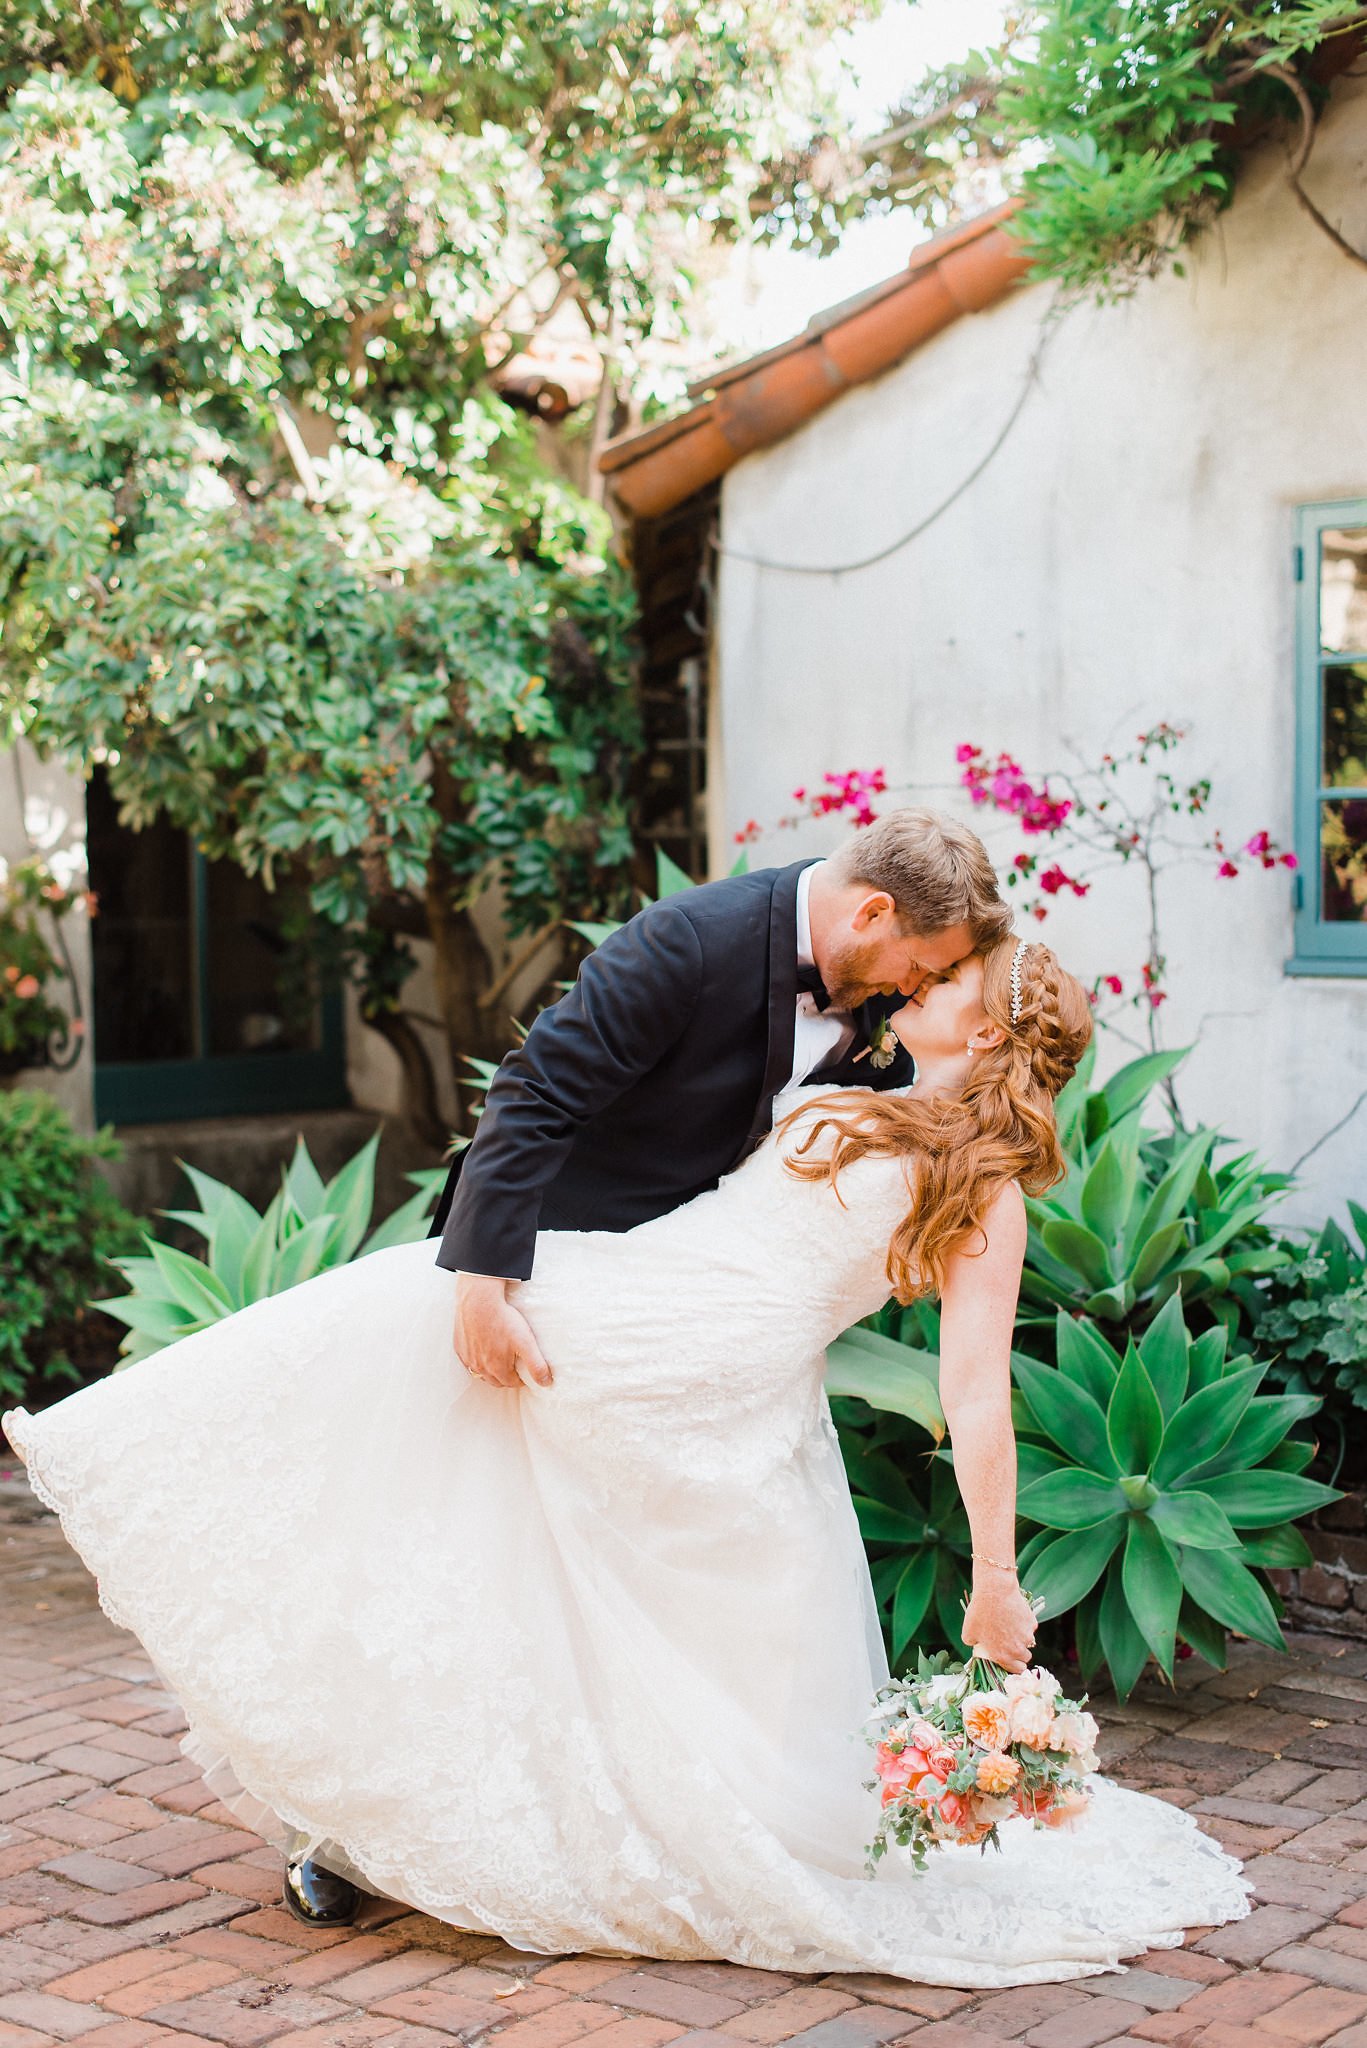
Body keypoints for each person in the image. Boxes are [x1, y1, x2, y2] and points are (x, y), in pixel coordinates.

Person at [3, 927, 1252, 1988]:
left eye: (940, 989)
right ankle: (382, 1805)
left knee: (397, 1332)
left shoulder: (979, 1189)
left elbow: (975, 1390)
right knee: (487, 1490)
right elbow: (958, 1377)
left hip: (668, 1339)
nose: (911, 987)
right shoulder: (879, 1095)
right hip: (697, 1341)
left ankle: (131, 1462)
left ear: (982, 1041)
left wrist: (992, 1574)